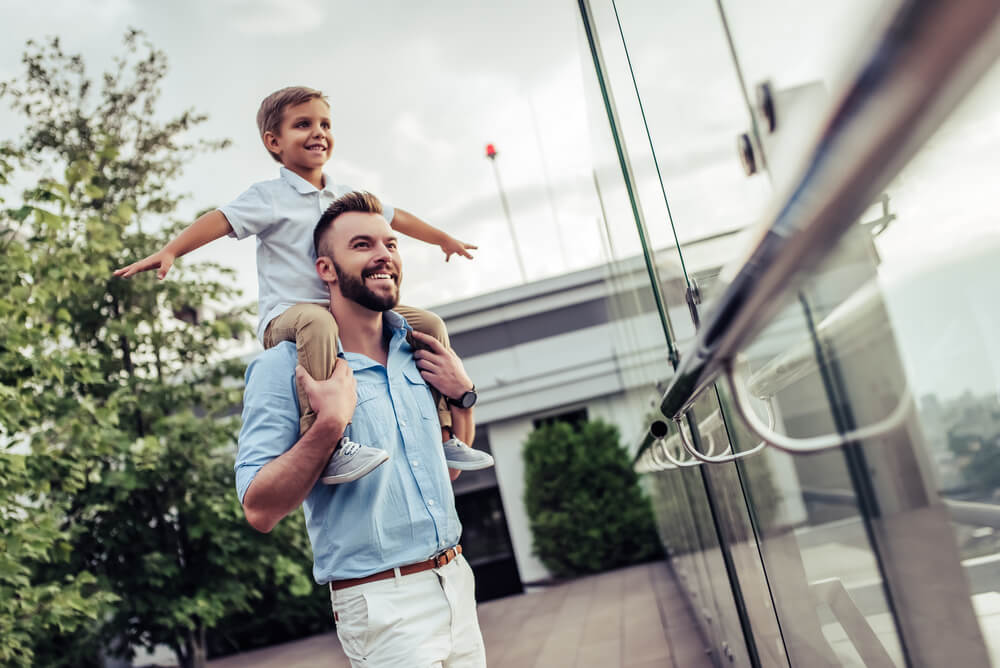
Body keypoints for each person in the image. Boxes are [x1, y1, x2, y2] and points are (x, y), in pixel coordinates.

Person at [114, 85, 493, 483]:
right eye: (303, 125)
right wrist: (172, 250)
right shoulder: (268, 197)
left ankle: (445, 432)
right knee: (318, 322)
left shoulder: (345, 194)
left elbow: (397, 218)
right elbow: (219, 220)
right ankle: (329, 443)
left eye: (325, 124)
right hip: (290, 316)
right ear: (274, 142)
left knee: (429, 324)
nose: (318, 132)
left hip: (344, 307)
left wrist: (442, 239)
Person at [236, 190, 487, 667]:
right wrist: (328, 424)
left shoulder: (416, 348)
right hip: (381, 603)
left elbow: (445, 475)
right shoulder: (283, 369)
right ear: (325, 269)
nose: (383, 256)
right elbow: (259, 509)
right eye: (362, 245)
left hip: (455, 579)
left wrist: (463, 400)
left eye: (391, 244)